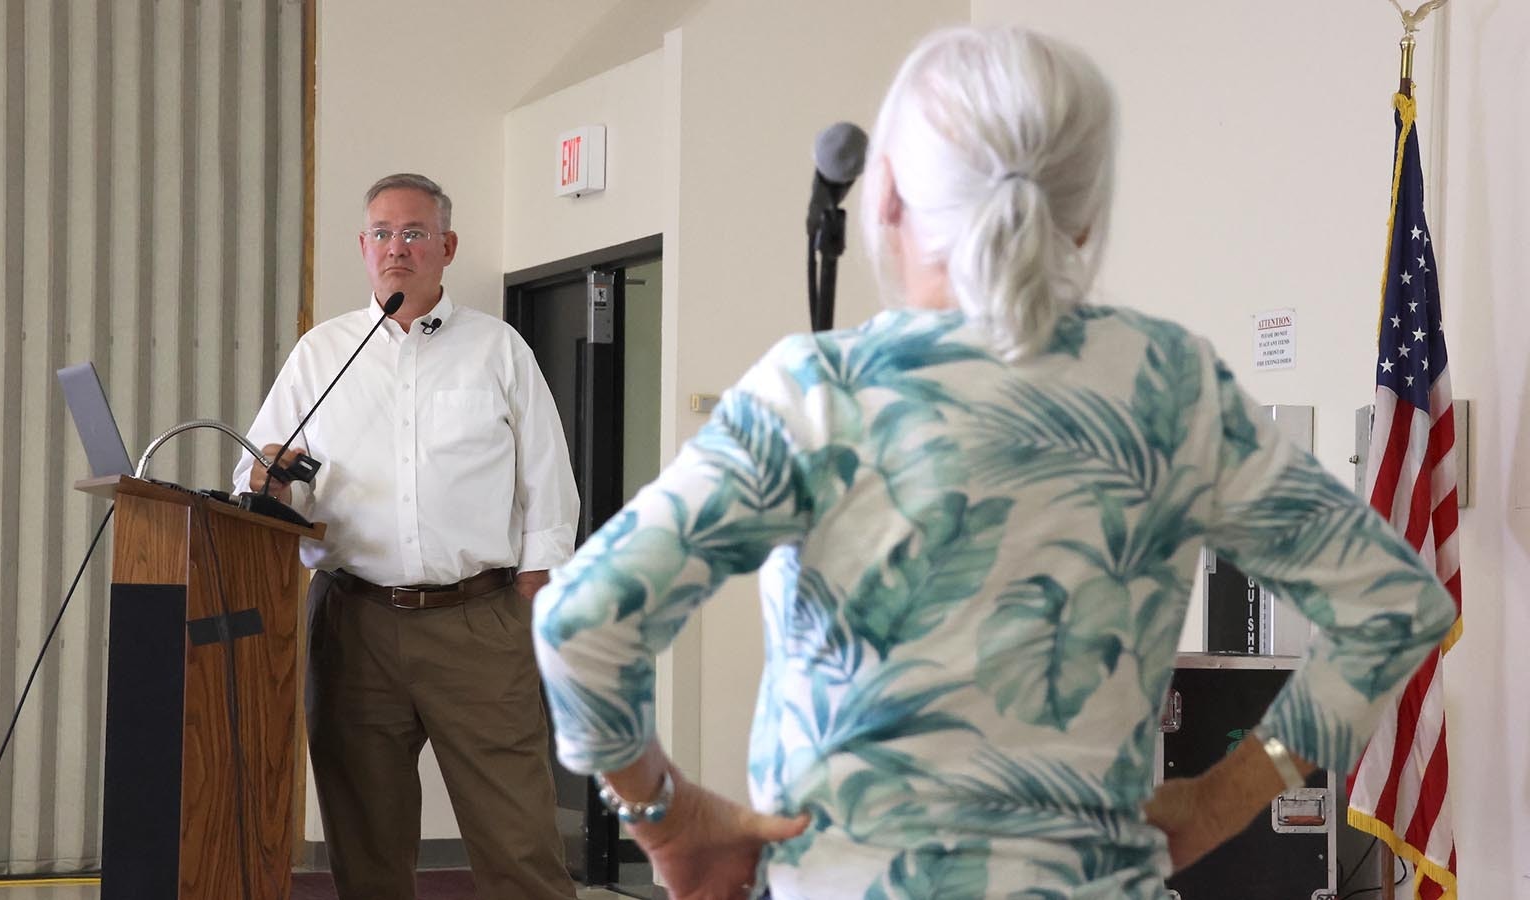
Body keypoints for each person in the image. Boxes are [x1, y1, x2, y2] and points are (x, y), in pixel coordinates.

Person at [530, 26, 1455, 900]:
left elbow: (581, 625)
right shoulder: (1175, 390)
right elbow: (1394, 606)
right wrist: (1224, 798)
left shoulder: (816, 394)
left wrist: (667, 816)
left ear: (887, 196)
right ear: (1088, 220)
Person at [235, 173, 580, 899]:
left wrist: (529, 595)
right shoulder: (321, 355)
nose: (398, 248)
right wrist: (270, 480)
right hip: (353, 621)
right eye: (383, 234)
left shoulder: (499, 349)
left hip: (477, 623)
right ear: (363, 249)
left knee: (519, 839)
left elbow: (547, 484)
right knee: (367, 847)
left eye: (415, 233)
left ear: (447, 247)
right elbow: (255, 473)